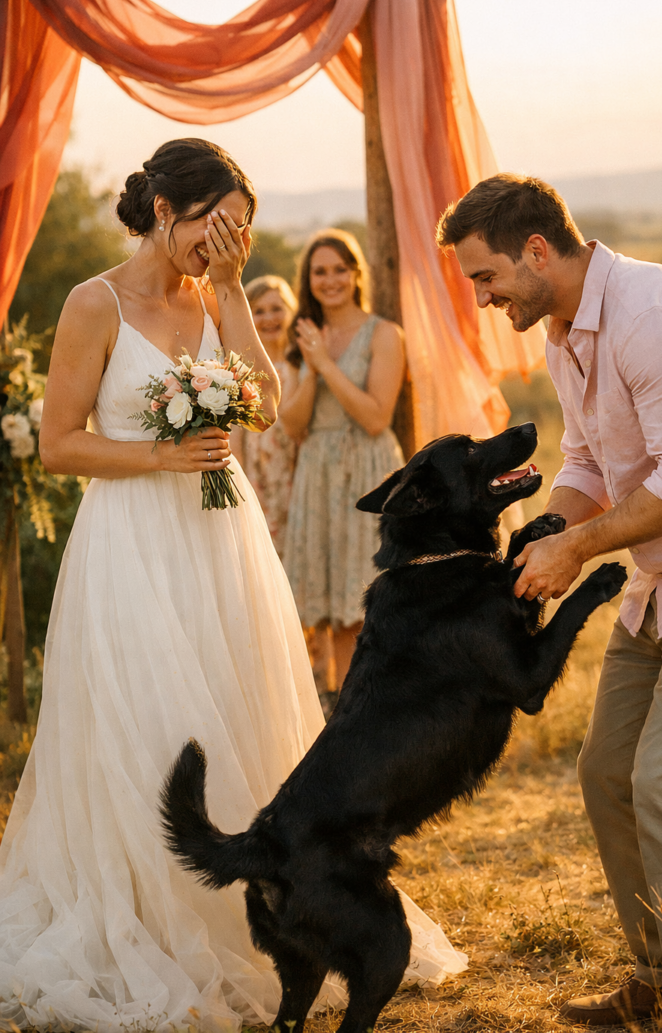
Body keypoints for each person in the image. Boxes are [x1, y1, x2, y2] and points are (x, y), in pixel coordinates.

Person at [0, 140, 464, 1031]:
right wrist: (158, 454)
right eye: (221, 224)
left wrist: (228, 299)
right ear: (169, 209)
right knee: (150, 718)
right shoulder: (92, 303)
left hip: (222, 536)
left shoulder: (211, 294)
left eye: (242, 232)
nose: (229, 243)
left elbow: (261, 403)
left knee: (235, 706)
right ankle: (146, 911)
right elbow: (60, 444)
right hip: (132, 542)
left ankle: (278, 911)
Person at [437, 173, 662, 1027]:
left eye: (485, 277)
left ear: (537, 250)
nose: (481, 298)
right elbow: (588, 462)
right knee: (607, 773)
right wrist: (541, 534)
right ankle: (660, 975)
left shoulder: (653, 318)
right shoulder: (563, 331)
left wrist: (577, 548)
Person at [281, 229, 406, 691]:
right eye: (320, 271)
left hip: (367, 471)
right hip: (318, 472)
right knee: (332, 608)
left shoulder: (384, 334)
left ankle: (377, 700)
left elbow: (376, 417)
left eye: (340, 269)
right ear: (308, 279)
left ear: (356, 274)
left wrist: (328, 365)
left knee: (365, 601)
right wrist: (312, 367)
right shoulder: (305, 337)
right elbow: (293, 425)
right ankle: (339, 707)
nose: (330, 280)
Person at [230, 274, 298, 558]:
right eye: (259, 311)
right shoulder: (244, 367)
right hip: (261, 474)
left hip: (298, 470)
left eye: (276, 308)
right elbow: (235, 436)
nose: (269, 318)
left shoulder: (301, 362)